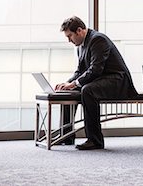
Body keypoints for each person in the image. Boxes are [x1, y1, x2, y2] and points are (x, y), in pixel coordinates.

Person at [55, 16, 138, 150]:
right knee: (68, 91)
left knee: (88, 90)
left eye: (70, 36)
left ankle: (95, 140)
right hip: (101, 80)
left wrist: (75, 83)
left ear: (79, 30)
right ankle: (66, 136)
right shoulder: (80, 46)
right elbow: (80, 71)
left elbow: (95, 69)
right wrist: (67, 83)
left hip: (117, 80)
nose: (69, 40)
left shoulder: (98, 39)